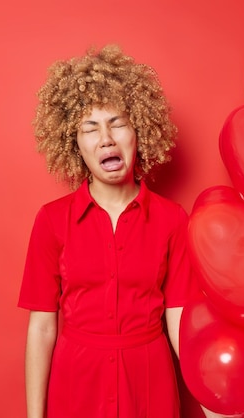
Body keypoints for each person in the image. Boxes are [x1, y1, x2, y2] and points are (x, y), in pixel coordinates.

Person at [18, 44, 200, 418]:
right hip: (76, 383)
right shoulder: (51, 221)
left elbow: (180, 321)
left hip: (150, 383)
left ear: (139, 130)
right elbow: (41, 328)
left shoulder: (173, 219)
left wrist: (213, 402)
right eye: (90, 127)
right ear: (75, 144)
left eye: (117, 122)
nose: (106, 138)